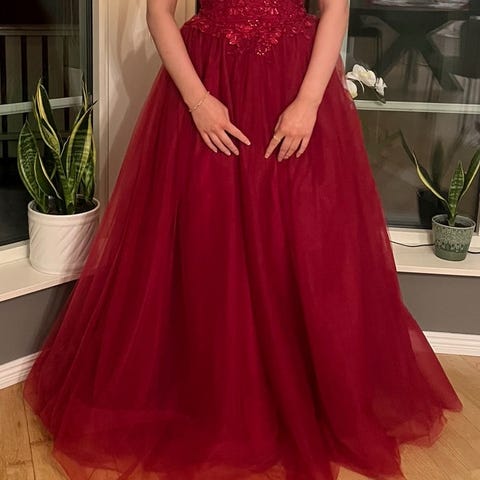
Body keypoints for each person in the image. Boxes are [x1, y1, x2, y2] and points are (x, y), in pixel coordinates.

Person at [22, 0, 463, 479]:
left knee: (299, 248)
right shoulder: (200, 94)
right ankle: (215, 399)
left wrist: (309, 102)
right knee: (207, 246)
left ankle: (304, 396)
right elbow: (158, 13)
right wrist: (198, 102)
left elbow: (336, 9)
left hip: (292, 84)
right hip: (210, 84)